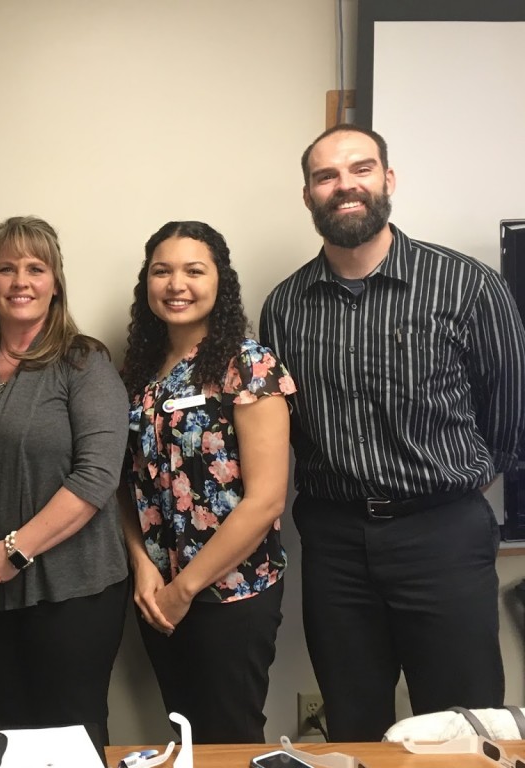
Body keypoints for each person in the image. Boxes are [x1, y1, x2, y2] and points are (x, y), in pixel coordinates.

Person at [260, 124, 525, 741]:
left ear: (388, 180)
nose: (345, 185)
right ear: (307, 195)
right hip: (335, 543)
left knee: (464, 723)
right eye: (326, 176)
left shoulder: (468, 285)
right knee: (353, 722)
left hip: (443, 534)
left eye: (361, 169)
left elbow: (509, 418)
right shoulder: (285, 306)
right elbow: (287, 431)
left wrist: (446, 489)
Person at [0, 216, 129, 744]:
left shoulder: (83, 363)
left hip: (73, 595)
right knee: (7, 737)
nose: (21, 281)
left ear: (55, 283)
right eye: (7, 268)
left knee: (71, 740)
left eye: (36, 268)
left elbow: (96, 477)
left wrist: (10, 553)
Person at [120, 221, 292, 744]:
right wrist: (145, 570)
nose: (177, 284)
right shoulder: (138, 373)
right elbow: (125, 484)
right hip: (158, 593)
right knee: (184, 734)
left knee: (230, 737)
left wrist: (186, 589)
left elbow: (266, 501)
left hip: (231, 593)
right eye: (162, 271)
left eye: (194, 270)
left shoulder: (249, 365)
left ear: (221, 282)